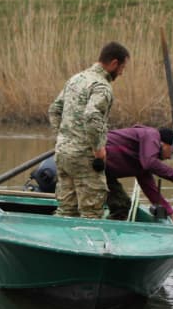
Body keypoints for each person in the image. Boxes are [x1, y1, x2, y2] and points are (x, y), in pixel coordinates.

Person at [48, 42, 130, 219]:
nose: (122, 73)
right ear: (114, 63)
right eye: (122, 68)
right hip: (85, 158)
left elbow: (54, 109)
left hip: (63, 153)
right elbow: (92, 116)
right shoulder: (101, 86)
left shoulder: (76, 79)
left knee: (66, 210)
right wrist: (98, 149)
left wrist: (62, 137)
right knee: (91, 213)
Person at [104, 125, 173, 229]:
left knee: (121, 207)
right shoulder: (151, 135)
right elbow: (150, 163)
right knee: (93, 206)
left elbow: (151, 190)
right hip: (93, 161)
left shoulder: (142, 161)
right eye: (172, 152)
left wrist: (172, 215)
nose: (169, 157)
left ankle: (111, 232)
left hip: (105, 174)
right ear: (164, 144)